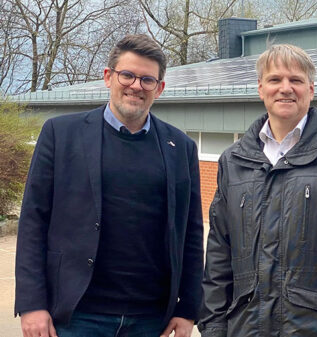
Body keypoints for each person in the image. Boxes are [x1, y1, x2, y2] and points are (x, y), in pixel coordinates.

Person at [15, 34, 204, 337]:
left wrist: (188, 307)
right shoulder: (60, 134)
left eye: (147, 80)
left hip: (151, 319)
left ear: (160, 88)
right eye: (127, 75)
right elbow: (33, 221)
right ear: (108, 76)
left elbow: (191, 233)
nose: (136, 86)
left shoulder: (180, 147)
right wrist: (32, 303)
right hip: (76, 315)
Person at [198, 44, 317, 337]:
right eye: (275, 80)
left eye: (295, 80)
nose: (285, 88)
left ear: (311, 89)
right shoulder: (233, 161)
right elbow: (219, 254)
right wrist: (214, 327)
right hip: (247, 328)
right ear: (260, 88)